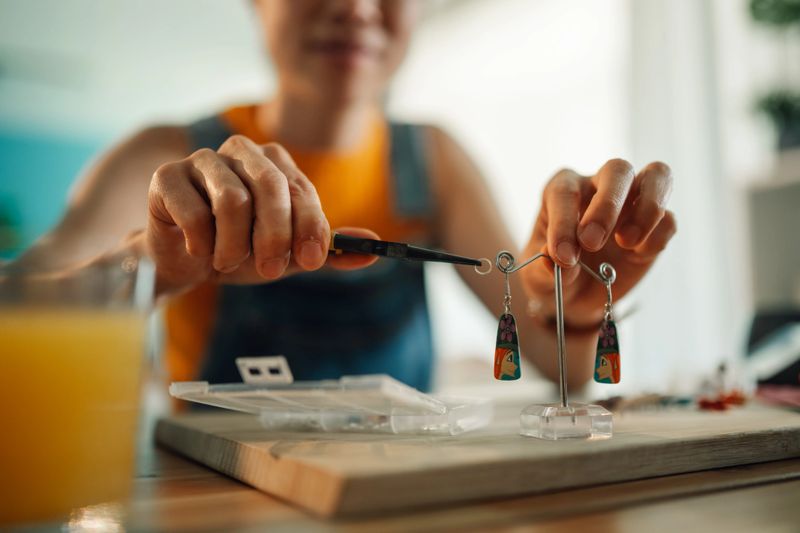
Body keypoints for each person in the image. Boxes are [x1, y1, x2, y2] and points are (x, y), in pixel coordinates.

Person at [16, 0, 676, 392]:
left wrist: (579, 308)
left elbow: (563, 367)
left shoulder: (435, 160)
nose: (356, 7)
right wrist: (149, 264)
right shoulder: (161, 156)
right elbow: (16, 304)